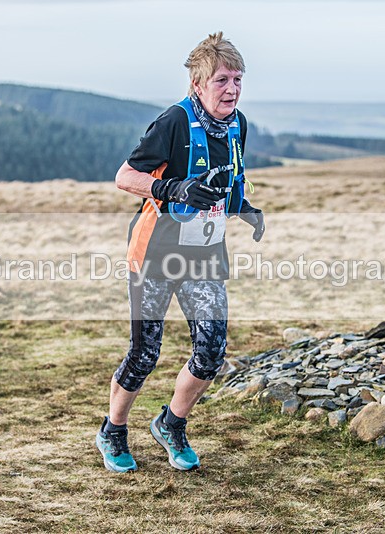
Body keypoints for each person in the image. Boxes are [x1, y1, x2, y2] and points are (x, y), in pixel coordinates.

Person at [95, 32, 265, 473]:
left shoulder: (238, 124)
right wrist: (173, 188)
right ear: (198, 84)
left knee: (212, 351)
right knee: (145, 353)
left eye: (238, 79)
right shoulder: (172, 122)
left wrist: (243, 206)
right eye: (222, 80)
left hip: (204, 254)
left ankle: (171, 423)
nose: (232, 89)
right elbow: (125, 175)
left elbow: (229, 177)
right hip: (155, 252)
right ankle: (113, 430)